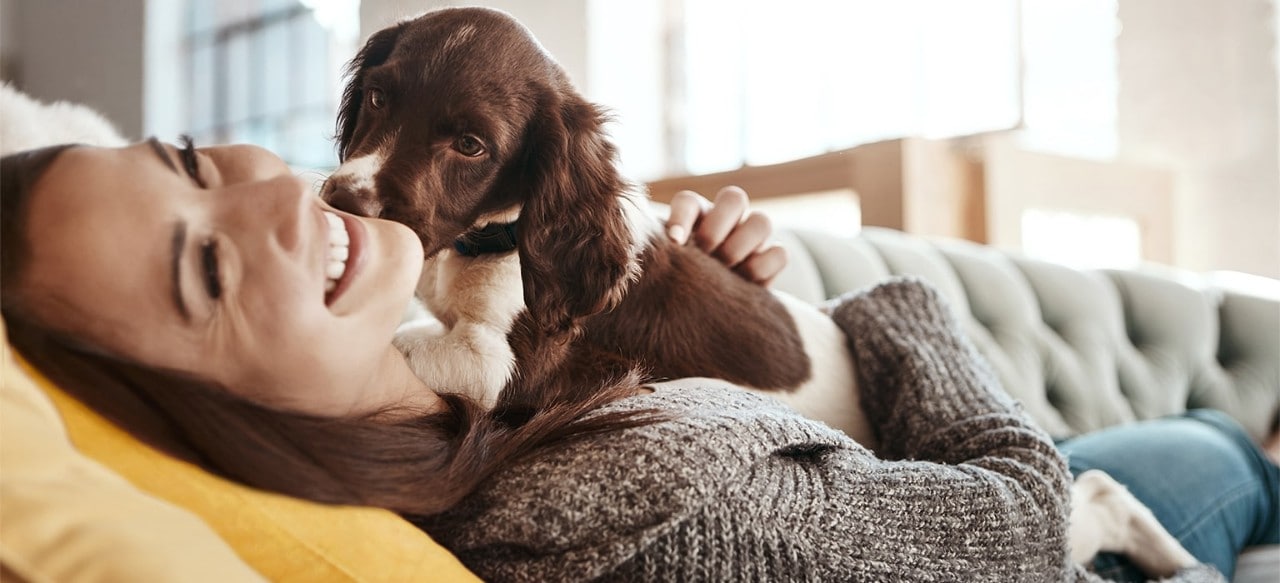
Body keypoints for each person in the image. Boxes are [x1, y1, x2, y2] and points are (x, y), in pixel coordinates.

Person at [0, 139, 1262, 582]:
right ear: (194, 421)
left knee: (1207, 435)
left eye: (192, 166)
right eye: (208, 271)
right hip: (1072, 520)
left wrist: (755, 324)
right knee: (1220, 456)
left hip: (920, 488)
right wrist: (879, 309)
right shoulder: (630, 516)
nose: (271, 198)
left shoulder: (458, 367)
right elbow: (1021, 523)